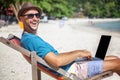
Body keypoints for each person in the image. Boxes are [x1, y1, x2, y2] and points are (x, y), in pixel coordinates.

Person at [18, 2, 120, 79]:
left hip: (72, 65)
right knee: (118, 63)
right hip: (72, 70)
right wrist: (79, 53)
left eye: (37, 15)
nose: (35, 18)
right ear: (21, 18)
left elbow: (56, 56)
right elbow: (57, 61)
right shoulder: (31, 40)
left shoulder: (28, 37)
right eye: (30, 16)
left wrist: (78, 54)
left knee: (114, 57)